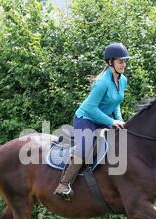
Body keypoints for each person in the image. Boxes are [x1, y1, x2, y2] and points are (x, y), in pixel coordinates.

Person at [53, 42, 129, 201]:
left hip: (102, 118)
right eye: (120, 61)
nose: (124, 64)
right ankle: (64, 184)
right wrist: (111, 121)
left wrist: (119, 121)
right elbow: (91, 108)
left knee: (122, 139)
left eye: (125, 61)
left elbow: (116, 103)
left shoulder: (123, 80)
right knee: (87, 146)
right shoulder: (102, 83)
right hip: (85, 118)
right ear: (110, 62)